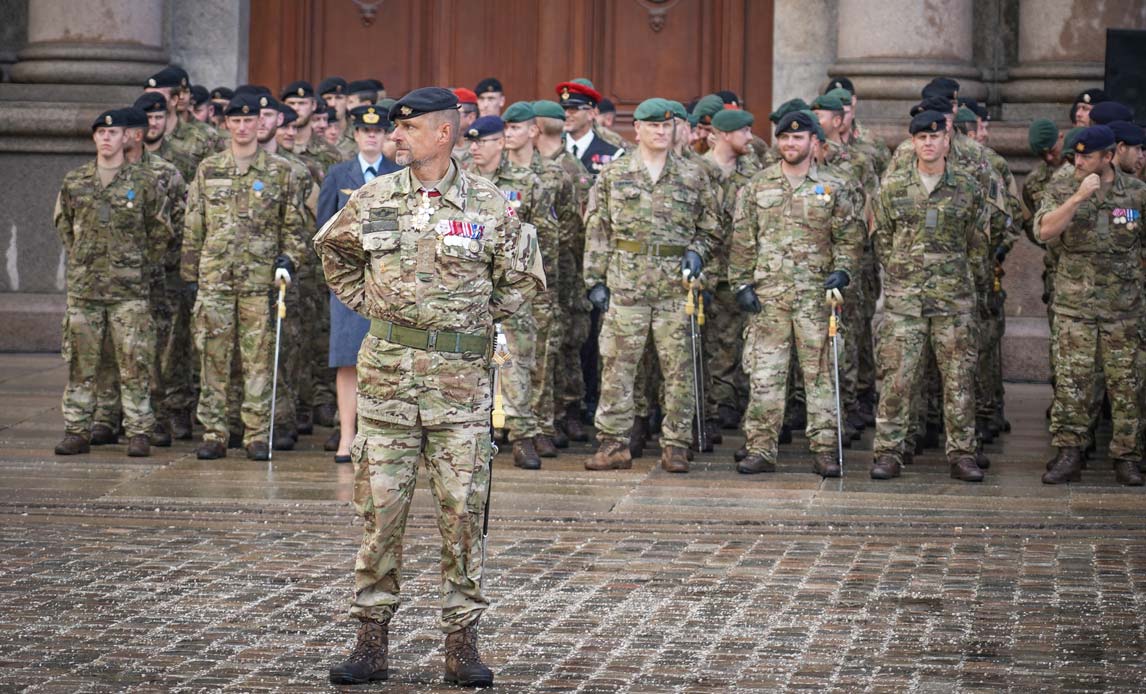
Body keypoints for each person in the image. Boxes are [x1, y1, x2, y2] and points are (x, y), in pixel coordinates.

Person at [316, 87, 543, 687]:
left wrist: (470, 319)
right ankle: (370, 641)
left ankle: (461, 645)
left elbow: (523, 278)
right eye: (394, 129)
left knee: (463, 515)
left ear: (443, 133)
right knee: (378, 515)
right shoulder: (373, 198)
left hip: (461, 392)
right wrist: (376, 305)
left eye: (407, 129)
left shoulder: (490, 204)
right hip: (387, 385)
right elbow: (333, 253)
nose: (395, 138)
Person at [583, 98, 719, 474]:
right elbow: (598, 229)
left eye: (666, 125)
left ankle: (675, 444)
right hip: (626, 284)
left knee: (679, 369)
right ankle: (613, 444)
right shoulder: (615, 174)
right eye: (652, 125)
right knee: (617, 368)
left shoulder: (693, 175)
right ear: (637, 129)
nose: (660, 131)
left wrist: (697, 251)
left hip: (676, 288)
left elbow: (711, 228)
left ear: (674, 129)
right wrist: (594, 279)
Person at [728, 110, 862, 476]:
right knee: (765, 375)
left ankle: (824, 449)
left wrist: (843, 270)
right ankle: (760, 448)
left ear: (813, 142)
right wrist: (740, 283)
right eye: (785, 138)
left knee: (820, 376)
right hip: (769, 298)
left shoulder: (835, 187)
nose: (790, 143)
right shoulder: (758, 186)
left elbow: (849, 238)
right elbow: (743, 239)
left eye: (798, 138)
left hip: (815, 298)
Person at [180, 93, 308, 461]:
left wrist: (289, 260)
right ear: (227, 124)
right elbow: (194, 226)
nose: (242, 126)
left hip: (259, 283)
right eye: (235, 121)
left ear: (258, 124)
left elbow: (293, 227)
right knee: (213, 359)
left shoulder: (279, 172)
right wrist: (191, 275)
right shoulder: (209, 169)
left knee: (258, 361)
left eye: (248, 120)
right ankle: (215, 432)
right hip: (215, 281)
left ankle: (255, 433)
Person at [870, 110, 990, 482]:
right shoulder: (892, 188)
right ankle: (889, 451)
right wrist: (902, 272)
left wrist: (961, 277)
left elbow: (978, 241)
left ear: (946, 141)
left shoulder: (967, 187)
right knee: (897, 379)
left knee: (959, 380)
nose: (928, 143)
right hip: (905, 301)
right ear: (912, 142)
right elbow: (881, 239)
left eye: (934, 137)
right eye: (921, 137)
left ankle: (962, 453)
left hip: (953, 301)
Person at [53, 109, 172, 457]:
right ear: (94, 138)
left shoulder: (144, 183)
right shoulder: (76, 181)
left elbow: (160, 233)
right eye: (101, 133)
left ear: (127, 138)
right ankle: (77, 429)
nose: (106, 138)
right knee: (81, 364)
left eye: (114, 132)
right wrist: (83, 259)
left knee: (135, 362)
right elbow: (64, 225)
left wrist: (135, 263)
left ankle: (138, 431)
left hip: (129, 292)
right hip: (85, 291)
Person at [1035, 125, 1145, 486]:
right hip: (1075, 309)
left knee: (1127, 387)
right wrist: (1077, 198)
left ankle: (1127, 457)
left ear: (1109, 157)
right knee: (1072, 386)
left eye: (1087, 156)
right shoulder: (1064, 185)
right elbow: (1044, 231)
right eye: (1075, 155)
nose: (1078, 161)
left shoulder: (1137, 194)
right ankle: (1069, 453)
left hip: (1123, 311)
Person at [90, 105, 187, 448]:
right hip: (105, 280)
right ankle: (106, 415)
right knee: (104, 350)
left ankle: (153, 416)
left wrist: (154, 263)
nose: (124, 136)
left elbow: (176, 225)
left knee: (152, 353)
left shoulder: (164, 173)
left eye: (129, 130)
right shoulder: (98, 174)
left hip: (155, 280)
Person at [464, 114, 556, 469]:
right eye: (471, 142)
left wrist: (538, 285)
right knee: (468, 359)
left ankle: (521, 434)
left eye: (483, 141)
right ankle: (472, 433)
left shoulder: (525, 182)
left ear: (500, 143)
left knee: (516, 360)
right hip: (468, 287)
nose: (475, 147)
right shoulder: (460, 182)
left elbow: (546, 236)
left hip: (513, 287)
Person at [316, 104, 400, 463]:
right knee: (347, 359)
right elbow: (322, 229)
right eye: (365, 131)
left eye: (378, 131)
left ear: (386, 136)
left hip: (389, 282)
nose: (371, 136)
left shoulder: (398, 174)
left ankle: (381, 434)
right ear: (355, 135)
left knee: (388, 360)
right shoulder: (339, 174)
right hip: (350, 283)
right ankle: (347, 435)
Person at [557, 81, 622, 175]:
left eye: (573, 109)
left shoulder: (612, 154)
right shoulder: (553, 148)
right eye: (563, 108)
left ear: (592, 114)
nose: (566, 114)